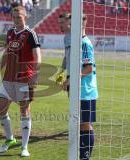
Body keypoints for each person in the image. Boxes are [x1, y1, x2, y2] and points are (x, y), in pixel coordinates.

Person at [0, 6, 41, 157]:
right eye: (14, 16)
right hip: (8, 78)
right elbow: (7, 54)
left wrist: (36, 74)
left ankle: (24, 147)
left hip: (24, 78)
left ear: (25, 17)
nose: (16, 19)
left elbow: (38, 56)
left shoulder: (30, 34)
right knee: (0, 109)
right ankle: (10, 139)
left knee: (24, 111)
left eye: (19, 16)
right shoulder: (10, 32)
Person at [59, 13, 98, 160]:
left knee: (85, 124)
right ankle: (81, 153)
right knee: (79, 123)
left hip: (86, 91)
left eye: (71, 23)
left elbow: (89, 68)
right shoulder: (75, 42)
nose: (69, 26)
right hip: (77, 89)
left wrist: (71, 80)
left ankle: (85, 156)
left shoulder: (85, 43)